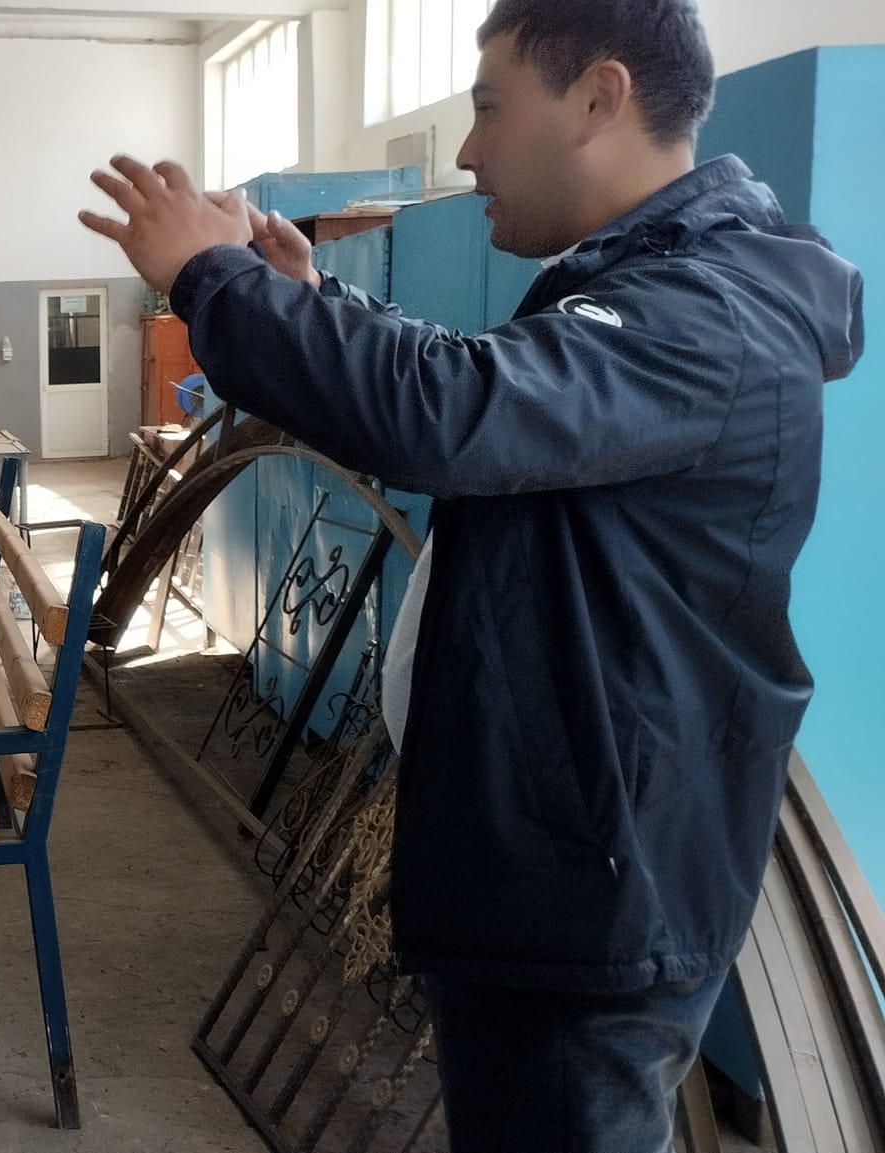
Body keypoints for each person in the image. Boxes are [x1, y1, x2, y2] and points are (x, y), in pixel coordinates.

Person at [80, 0, 864, 1148]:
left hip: (586, 892)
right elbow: (488, 388)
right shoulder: (659, 291)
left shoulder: (704, 311)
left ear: (598, 97)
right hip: (564, 862)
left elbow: (450, 412)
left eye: (489, 109)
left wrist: (212, 278)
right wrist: (313, 305)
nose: (464, 151)